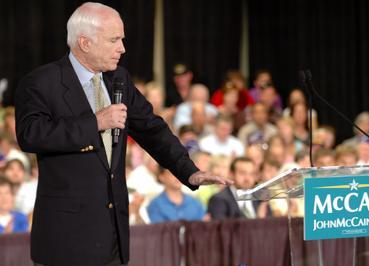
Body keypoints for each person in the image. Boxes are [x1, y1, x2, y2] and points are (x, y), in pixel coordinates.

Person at [14, 3, 230, 266]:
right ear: (85, 42)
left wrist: (189, 170)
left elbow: (153, 129)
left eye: (122, 39)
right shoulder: (41, 82)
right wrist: (94, 122)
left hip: (112, 238)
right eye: (114, 40)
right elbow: (30, 135)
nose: (122, 48)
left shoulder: (119, 79)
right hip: (66, 241)